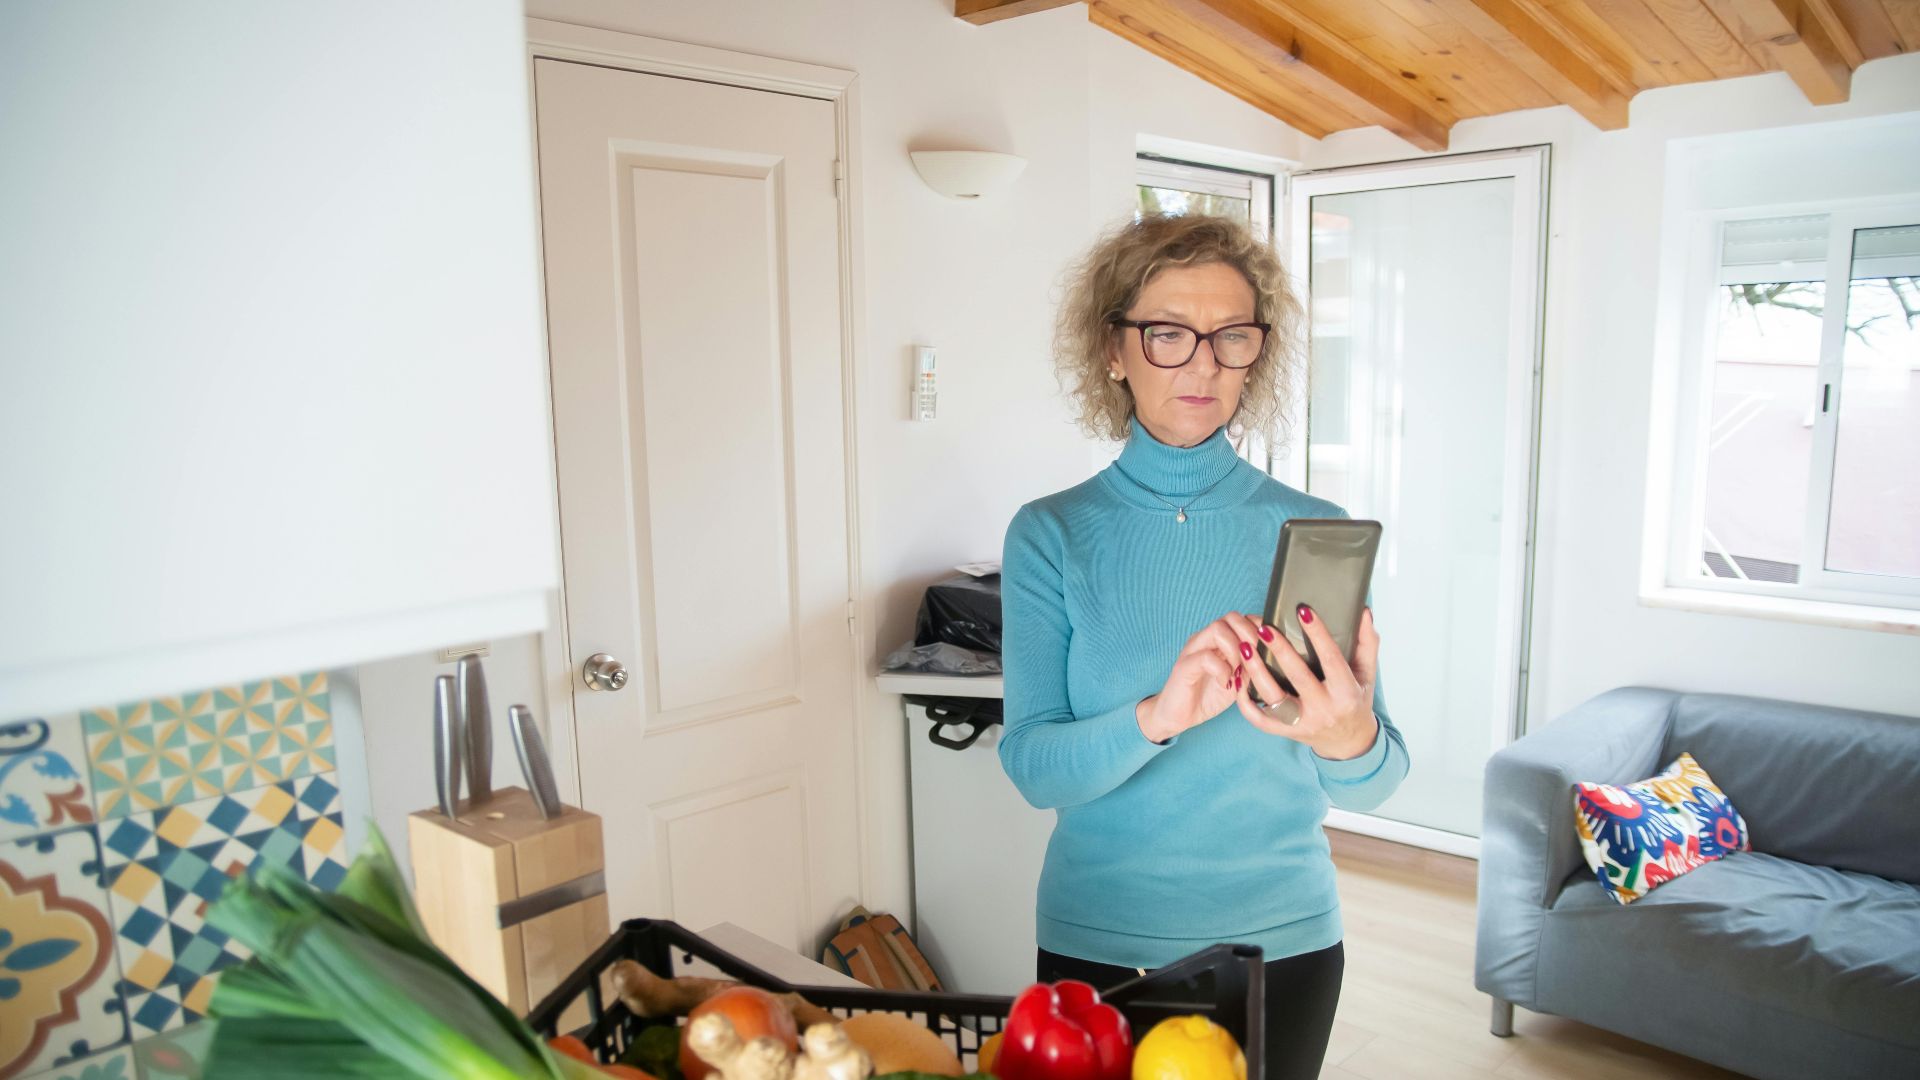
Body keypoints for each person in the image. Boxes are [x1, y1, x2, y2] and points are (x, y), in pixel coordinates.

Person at [998, 213, 1410, 1080]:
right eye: (1168, 334)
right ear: (1114, 349)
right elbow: (1035, 768)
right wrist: (1157, 715)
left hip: (1284, 941)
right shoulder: (1051, 535)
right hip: (1099, 940)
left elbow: (1377, 782)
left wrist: (1348, 738)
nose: (1203, 363)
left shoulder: (1318, 533)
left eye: (1231, 337)